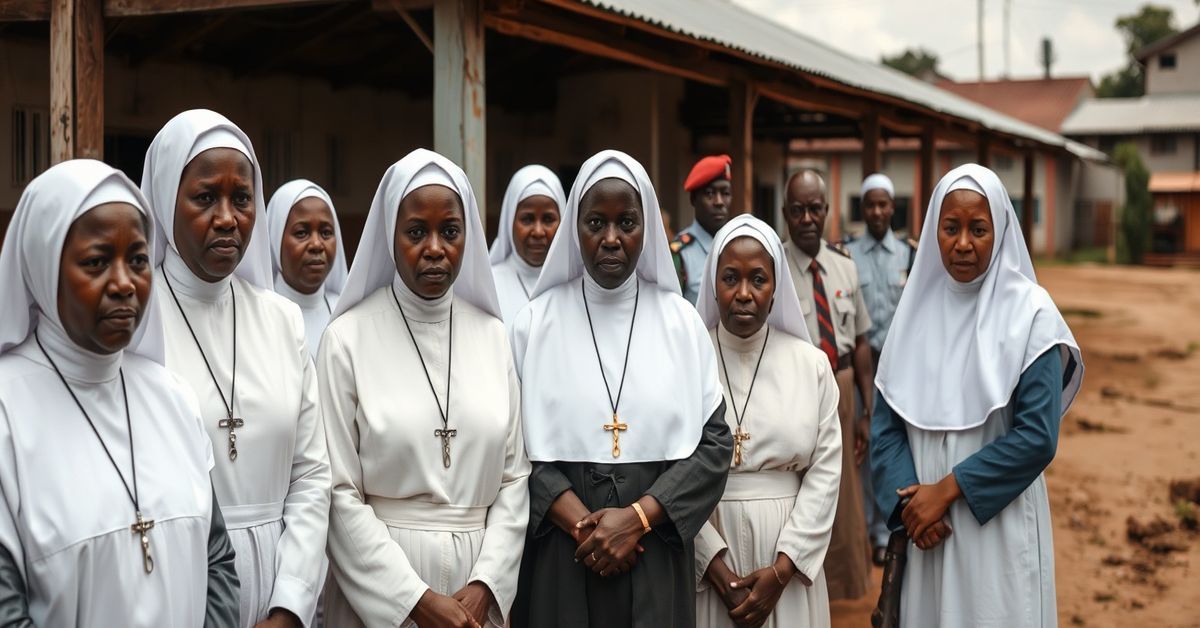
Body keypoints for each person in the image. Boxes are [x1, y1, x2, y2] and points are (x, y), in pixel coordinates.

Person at [0, 160, 239, 626]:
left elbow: (217, 561)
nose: (125, 283)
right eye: (95, 262)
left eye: (137, 260)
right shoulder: (7, 411)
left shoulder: (172, 397)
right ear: (42, 266)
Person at [510, 149, 733, 628]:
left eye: (626, 222)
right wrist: (580, 524)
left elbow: (715, 447)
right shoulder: (535, 322)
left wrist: (638, 519)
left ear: (646, 226)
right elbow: (511, 450)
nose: (611, 239)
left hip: (654, 548)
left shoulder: (681, 322)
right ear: (576, 227)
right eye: (596, 222)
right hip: (561, 552)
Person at [320, 149, 530, 628]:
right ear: (389, 237)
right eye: (416, 232)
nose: (435, 247)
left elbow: (515, 479)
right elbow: (337, 490)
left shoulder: (493, 335)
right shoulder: (347, 338)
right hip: (379, 588)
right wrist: (414, 601)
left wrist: (485, 588)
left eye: (450, 232)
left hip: (477, 585)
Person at [139, 109, 330, 628]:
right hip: (183, 585)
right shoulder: (135, 322)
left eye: (241, 198)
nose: (227, 217)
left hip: (284, 582)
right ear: (163, 199)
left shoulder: (282, 319)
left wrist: (290, 603)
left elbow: (312, 475)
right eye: (205, 198)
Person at [871, 164, 1083, 627]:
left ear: (1000, 230)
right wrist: (911, 508)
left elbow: (1037, 437)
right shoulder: (913, 313)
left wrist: (945, 492)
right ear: (934, 230)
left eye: (978, 229)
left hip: (995, 524)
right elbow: (885, 427)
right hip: (927, 529)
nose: (963, 242)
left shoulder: (1031, 315)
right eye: (951, 228)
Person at [692, 215, 842, 628]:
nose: (743, 294)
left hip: (787, 549)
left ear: (776, 290)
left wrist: (782, 570)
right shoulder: (688, 361)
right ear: (713, 284)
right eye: (730, 278)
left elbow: (826, 473)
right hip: (706, 547)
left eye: (758, 279)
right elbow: (668, 469)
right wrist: (714, 566)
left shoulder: (811, 364)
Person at [780, 170, 873, 601]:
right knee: (800, 489)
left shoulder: (845, 267)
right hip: (794, 392)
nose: (806, 218)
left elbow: (862, 344)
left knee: (844, 492)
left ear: (827, 211)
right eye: (797, 210)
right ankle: (796, 581)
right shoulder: (773, 268)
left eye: (815, 208)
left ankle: (842, 585)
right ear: (785, 214)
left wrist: (866, 410)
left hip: (842, 387)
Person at [845, 172, 915, 565]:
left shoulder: (909, 254)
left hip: (899, 370)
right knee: (862, 449)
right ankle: (868, 533)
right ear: (863, 207)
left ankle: (888, 530)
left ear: (892, 207)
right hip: (861, 369)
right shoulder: (848, 253)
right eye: (869, 204)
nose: (876, 211)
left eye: (883, 204)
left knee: (894, 446)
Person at [266, 179, 348, 360]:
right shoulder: (258, 315)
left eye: (326, 232)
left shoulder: (346, 313)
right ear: (275, 237)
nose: (317, 244)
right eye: (301, 233)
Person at [489, 165, 566, 325]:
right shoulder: (490, 287)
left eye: (548, 219)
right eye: (527, 219)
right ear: (510, 221)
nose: (538, 232)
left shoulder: (575, 282)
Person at [672, 154, 733, 304]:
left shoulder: (736, 245)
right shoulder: (680, 253)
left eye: (725, 193)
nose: (719, 202)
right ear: (693, 199)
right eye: (710, 194)